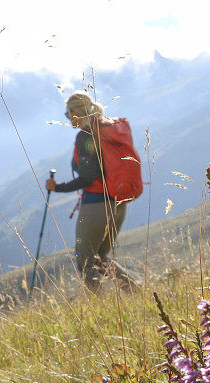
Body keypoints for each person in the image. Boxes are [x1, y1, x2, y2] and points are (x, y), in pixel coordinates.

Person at [46, 90, 136, 291]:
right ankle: (136, 289)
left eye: (68, 115)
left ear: (77, 111)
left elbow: (87, 178)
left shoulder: (86, 136)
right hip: (118, 202)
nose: (69, 119)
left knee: (85, 261)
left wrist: (58, 187)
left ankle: (100, 307)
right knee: (100, 259)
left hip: (96, 205)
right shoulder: (107, 129)